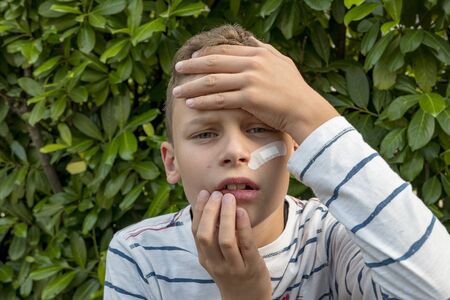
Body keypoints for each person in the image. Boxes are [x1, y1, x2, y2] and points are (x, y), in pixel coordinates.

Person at [104, 25, 450, 299]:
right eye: (205, 134)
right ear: (171, 162)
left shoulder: (333, 238)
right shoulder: (139, 255)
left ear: (297, 148)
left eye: (259, 128)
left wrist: (312, 114)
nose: (235, 151)